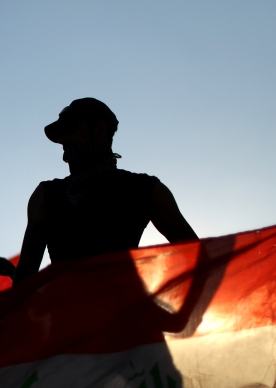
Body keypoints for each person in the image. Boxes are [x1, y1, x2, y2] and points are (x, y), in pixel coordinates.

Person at [12, 98, 197, 284]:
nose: (62, 139)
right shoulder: (47, 195)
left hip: (127, 309)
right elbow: (26, 276)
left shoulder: (144, 189)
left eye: (71, 128)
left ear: (99, 129)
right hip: (70, 311)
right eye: (60, 133)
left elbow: (198, 257)